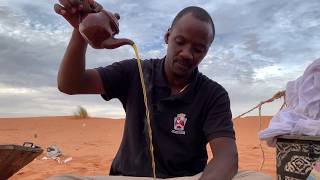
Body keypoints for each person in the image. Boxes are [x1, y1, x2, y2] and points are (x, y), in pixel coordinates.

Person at [53, 0, 272, 179]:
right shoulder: (135, 71)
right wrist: (80, 31)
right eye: (180, 41)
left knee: (257, 179)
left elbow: (227, 156)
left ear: (206, 51)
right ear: (167, 37)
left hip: (189, 179)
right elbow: (70, 84)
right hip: (129, 177)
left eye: (198, 48)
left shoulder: (213, 94)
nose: (187, 53)